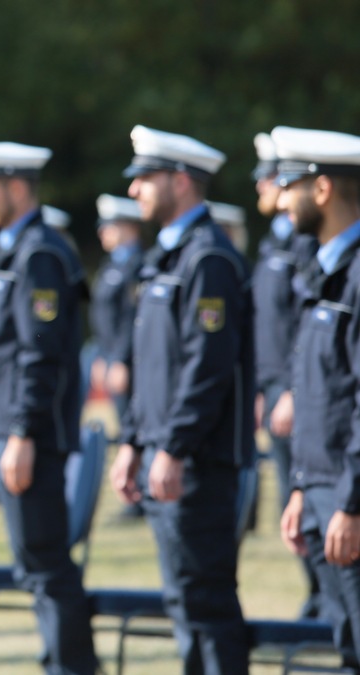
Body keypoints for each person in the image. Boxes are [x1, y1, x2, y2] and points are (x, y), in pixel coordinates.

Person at [110, 125, 253, 674]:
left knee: (206, 602)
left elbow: (206, 367)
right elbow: (153, 372)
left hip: (197, 463)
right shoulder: (166, 258)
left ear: (181, 181)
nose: (134, 191)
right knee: (184, 601)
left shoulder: (208, 259)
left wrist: (170, 446)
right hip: (168, 456)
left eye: (145, 179)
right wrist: (133, 442)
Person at [0, 140, 100, 675]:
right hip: (9, 429)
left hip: (29, 435)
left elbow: (40, 354)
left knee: (45, 566)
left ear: (16, 188)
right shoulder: (13, 250)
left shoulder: (39, 253)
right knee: (35, 564)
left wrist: (22, 431)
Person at [274, 125, 360, 671]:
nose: (282, 199)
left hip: (350, 500)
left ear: (322, 189)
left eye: (290, 185)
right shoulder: (325, 269)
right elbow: (321, 394)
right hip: (324, 492)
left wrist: (352, 502)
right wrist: (304, 486)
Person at [251, 131, 321, 619]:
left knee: (312, 496)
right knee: (291, 497)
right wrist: (265, 385)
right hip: (276, 387)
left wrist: (292, 391)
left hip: (298, 391)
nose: (260, 188)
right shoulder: (274, 243)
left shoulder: (304, 244)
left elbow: (304, 326)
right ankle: (316, 590)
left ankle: (324, 592)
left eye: (267, 179)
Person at [89, 194, 144, 420]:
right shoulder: (110, 265)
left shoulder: (139, 266)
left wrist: (121, 359)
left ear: (129, 227)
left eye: (110, 227)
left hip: (131, 360)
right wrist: (103, 355)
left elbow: (132, 317)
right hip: (110, 354)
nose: (103, 232)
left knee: (133, 421)